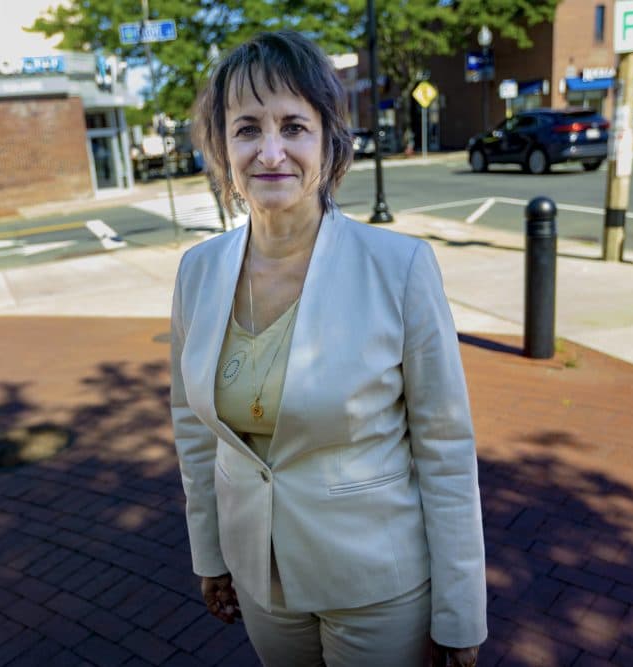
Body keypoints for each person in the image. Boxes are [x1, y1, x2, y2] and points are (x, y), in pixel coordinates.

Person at [170, 30, 487, 667]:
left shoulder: (398, 267)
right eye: (247, 129)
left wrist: (460, 611)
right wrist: (212, 554)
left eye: (293, 126)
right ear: (223, 145)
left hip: (375, 585)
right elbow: (193, 429)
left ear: (328, 140)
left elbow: (445, 446)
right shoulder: (197, 272)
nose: (270, 151)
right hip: (259, 578)